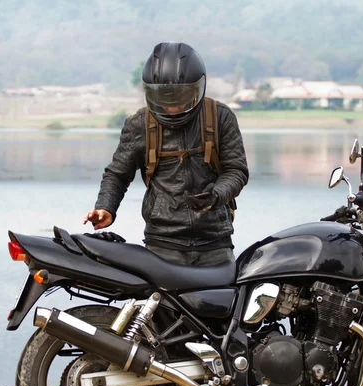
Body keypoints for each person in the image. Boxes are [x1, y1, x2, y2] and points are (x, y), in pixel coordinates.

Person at [83, 41, 249, 266]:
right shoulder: (139, 124)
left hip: (215, 242)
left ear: (197, 88)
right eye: (164, 100)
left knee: (221, 300)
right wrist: (106, 207)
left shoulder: (220, 117)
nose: (172, 108)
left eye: (180, 100)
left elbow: (236, 171)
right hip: (161, 244)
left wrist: (216, 195)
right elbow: (117, 174)